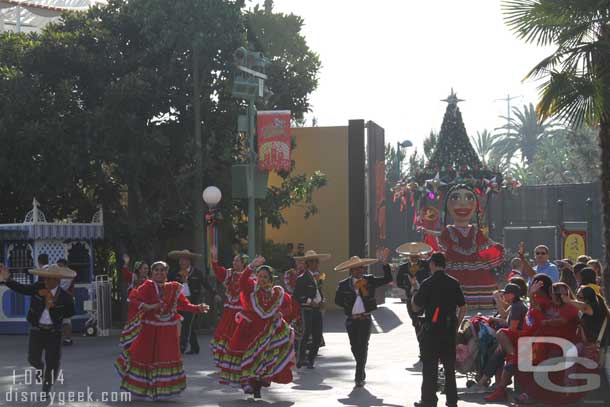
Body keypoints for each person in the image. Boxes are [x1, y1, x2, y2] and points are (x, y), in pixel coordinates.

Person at [115, 261, 209, 400]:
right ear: (152, 273)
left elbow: (184, 305)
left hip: (168, 330)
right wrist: (145, 305)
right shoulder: (147, 286)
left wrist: (197, 308)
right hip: (150, 330)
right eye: (156, 270)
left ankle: (162, 390)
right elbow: (133, 298)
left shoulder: (174, 288)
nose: (159, 273)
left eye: (162, 270)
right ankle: (147, 389)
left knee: (166, 358)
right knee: (146, 358)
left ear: (166, 273)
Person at [219, 257, 296, 399]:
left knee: (265, 358)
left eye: (265, 277)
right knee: (248, 357)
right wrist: (251, 266)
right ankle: (247, 382)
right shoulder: (251, 289)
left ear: (271, 278)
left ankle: (258, 385)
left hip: (269, 329)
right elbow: (242, 280)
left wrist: (280, 313)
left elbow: (288, 307)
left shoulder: (277, 293)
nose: (262, 279)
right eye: (260, 276)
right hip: (250, 329)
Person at [424, 184, 505, 307]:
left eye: (468, 198)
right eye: (455, 198)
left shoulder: (475, 229)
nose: (462, 204)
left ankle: (479, 302)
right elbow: (439, 234)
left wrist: (497, 245)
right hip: (454, 263)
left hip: (476, 264)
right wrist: (426, 231)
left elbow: (487, 240)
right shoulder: (449, 230)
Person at [0, 263, 75, 394]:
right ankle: (39, 368)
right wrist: (7, 279)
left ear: (57, 280)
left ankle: (47, 387)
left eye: (48, 278)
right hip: (36, 330)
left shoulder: (66, 297)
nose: (45, 280)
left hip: (54, 333)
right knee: (32, 359)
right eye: (44, 278)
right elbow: (22, 288)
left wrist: (64, 331)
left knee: (53, 363)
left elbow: (69, 315)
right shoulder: (37, 288)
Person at [412, 252, 467, 407]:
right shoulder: (454, 282)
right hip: (449, 331)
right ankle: (452, 401)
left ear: (433, 264)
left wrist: (414, 291)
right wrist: (456, 326)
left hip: (431, 331)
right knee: (449, 368)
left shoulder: (427, 283)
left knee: (430, 367)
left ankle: (428, 401)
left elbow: (416, 307)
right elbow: (463, 307)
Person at [334, 248, 393, 387]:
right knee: (355, 347)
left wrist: (384, 264)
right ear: (351, 270)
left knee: (363, 346)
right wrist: (349, 301)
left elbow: (387, 279)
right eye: (355, 269)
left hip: (365, 319)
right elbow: (337, 301)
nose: (359, 271)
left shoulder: (369, 280)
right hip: (351, 320)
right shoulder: (344, 284)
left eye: (360, 268)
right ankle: (361, 368)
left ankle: (358, 375)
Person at [168, 249, 217, 354]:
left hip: (192, 302)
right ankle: (195, 347)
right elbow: (167, 285)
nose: (182, 262)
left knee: (186, 324)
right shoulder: (174, 273)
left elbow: (206, 284)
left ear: (189, 261)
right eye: (181, 259)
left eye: (185, 259)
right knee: (188, 325)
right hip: (178, 302)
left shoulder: (197, 272)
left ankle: (181, 347)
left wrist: (214, 294)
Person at [395, 242, 432, 368]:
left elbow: (431, 278)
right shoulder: (403, 268)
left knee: (427, 323)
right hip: (411, 299)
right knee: (416, 323)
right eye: (412, 256)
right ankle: (422, 349)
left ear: (420, 256)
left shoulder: (427, 266)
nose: (414, 258)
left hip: (426, 299)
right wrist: (408, 286)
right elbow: (398, 282)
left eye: (416, 256)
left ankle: (426, 348)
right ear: (408, 256)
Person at [293, 249, 331, 369]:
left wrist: (322, 300)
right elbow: (297, 295)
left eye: (317, 261)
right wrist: (310, 302)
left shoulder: (319, 276)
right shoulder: (302, 278)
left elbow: (318, 291)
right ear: (308, 263)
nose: (316, 264)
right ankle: (301, 359)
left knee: (317, 335)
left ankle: (311, 360)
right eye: (313, 261)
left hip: (317, 309)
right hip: (307, 310)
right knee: (306, 333)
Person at [210, 253, 249, 368]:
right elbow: (218, 271)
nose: (234, 263)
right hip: (229, 311)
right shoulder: (230, 274)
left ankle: (239, 361)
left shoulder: (249, 276)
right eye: (234, 260)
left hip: (242, 312)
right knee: (224, 333)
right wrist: (214, 261)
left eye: (237, 261)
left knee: (238, 336)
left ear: (243, 263)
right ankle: (225, 360)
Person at [56, 258, 76, 346]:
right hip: (65, 298)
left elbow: (61, 287)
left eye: (59, 265)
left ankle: (67, 338)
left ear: (63, 265)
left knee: (65, 321)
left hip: (65, 298)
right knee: (65, 320)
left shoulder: (67, 274)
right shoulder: (68, 273)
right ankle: (66, 338)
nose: (59, 267)